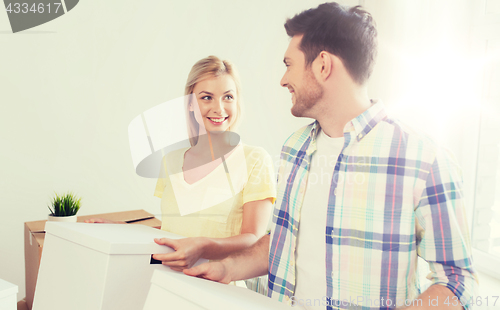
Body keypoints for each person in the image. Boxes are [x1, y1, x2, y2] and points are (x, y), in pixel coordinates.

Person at [184, 3, 477, 310]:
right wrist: (226, 268)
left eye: (289, 64)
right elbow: (284, 244)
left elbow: (457, 281)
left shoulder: (424, 160)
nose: (283, 80)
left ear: (322, 65)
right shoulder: (294, 149)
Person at [88, 56, 276, 292]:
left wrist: (203, 247)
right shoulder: (171, 161)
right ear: (190, 104)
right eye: (206, 97)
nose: (219, 108)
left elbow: (253, 238)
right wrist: (122, 230)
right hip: (168, 285)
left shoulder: (255, 160)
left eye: (228, 97)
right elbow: (174, 231)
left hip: (219, 290)